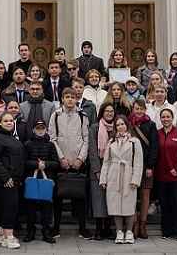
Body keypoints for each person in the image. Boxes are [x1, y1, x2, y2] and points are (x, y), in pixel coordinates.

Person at [49, 87, 92, 239]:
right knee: (58, 197)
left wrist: (81, 158)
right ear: (62, 98)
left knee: (80, 197)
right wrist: (60, 158)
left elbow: (86, 138)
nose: (70, 99)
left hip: (78, 162)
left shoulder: (82, 116)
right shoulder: (55, 116)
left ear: (76, 99)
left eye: (72, 97)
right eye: (67, 96)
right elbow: (52, 139)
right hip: (62, 162)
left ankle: (82, 228)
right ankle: (56, 228)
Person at [99, 115, 143, 244]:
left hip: (128, 173)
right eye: (118, 125)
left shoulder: (135, 141)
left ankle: (129, 231)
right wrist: (104, 178)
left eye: (122, 124)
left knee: (129, 204)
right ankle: (119, 231)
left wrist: (135, 178)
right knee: (115, 204)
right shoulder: (111, 141)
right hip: (114, 174)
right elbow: (106, 161)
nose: (120, 127)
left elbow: (138, 161)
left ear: (127, 125)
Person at [0, 112, 25, 249]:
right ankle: (9, 237)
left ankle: (1, 235)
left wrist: (18, 178)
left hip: (12, 179)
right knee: (11, 206)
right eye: (6, 121)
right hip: (2, 180)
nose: (9, 123)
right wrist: (5, 177)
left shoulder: (12, 138)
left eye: (11, 121)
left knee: (2, 206)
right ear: (0, 123)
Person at [23, 119, 59, 244]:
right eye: (37, 128)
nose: (40, 130)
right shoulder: (27, 144)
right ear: (33, 130)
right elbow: (24, 162)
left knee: (46, 207)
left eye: (42, 128)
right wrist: (36, 165)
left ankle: (46, 231)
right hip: (32, 179)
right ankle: (30, 231)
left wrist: (45, 165)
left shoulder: (50, 145)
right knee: (31, 207)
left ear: (46, 130)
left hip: (47, 180)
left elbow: (56, 163)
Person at [155, 108, 177, 241]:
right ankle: (167, 230)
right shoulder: (157, 134)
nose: (165, 119)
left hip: (176, 176)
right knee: (164, 204)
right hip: (161, 176)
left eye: (168, 117)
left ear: (172, 118)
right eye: (163, 117)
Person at [129, 99, 159, 238]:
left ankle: (143, 224)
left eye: (141, 109)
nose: (139, 111)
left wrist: (151, 165)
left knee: (145, 197)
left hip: (146, 165)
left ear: (145, 110)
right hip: (132, 165)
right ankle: (134, 223)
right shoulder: (129, 124)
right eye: (136, 109)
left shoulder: (151, 125)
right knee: (132, 195)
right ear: (133, 109)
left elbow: (154, 145)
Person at [88, 102, 116, 241]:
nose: (110, 113)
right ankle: (98, 229)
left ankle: (107, 229)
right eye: (107, 111)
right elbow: (92, 150)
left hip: (114, 169)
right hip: (98, 167)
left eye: (112, 111)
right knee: (98, 200)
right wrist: (97, 170)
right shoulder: (95, 127)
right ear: (102, 112)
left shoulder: (118, 127)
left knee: (110, 199)